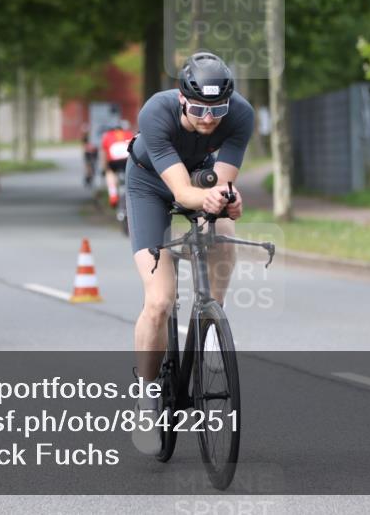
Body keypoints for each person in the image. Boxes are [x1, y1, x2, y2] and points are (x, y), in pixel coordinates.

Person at [125, 51, 253, 454]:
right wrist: (209, 198)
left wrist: (229, 200)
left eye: (218, 109)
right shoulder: (156, 113)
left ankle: (210, 321)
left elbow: (221, 187)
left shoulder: (241, 115)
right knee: (159, 301)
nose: (209, 118)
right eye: (198, 108)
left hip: (199, 174)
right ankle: (146, 401)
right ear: (182, 99)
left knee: (224, 229)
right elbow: (181, 194)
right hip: (150, 185)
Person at [100, 118, 134, 208]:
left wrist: (104, 168)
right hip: (127, 160)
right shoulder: (128, 134)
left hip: (113, 161)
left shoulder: (107, 136)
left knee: (110, 173)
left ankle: (113, 195)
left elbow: (103, 154)